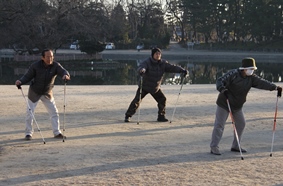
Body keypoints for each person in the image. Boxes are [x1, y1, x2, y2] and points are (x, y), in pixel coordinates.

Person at [210, 57, 282, 155]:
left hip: (237, 106)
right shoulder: (234, 74)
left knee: (241, 123)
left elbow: (262, 83)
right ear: (244, 68)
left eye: (253, 69)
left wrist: (274, 87)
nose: (252, 71)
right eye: (250, 69)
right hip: (224, 103)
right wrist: (222, 89)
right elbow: (220, 80)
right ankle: (214, 147)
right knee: (219, 125)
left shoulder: (251, 78)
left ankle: (235, 146)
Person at [15, 49, 70, 140]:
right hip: (34, 92)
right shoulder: (35, 66)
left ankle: (57, 133)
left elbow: (63, 71)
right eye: (48, 57)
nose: (50, 58)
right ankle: (28, 133)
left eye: (51, 56)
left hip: (47, 92)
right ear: (42, 57)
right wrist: (20, 81)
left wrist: (66, 75)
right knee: (30, 113)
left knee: (54, 113)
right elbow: (27, 76)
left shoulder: (56, 65)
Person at [124, 47, 188, 122]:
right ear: (152, 55)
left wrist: (182, 71)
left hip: (155, 87)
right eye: (156, 54)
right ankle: (128, 116)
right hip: (145, 86)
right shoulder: (147, 62)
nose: (158, 55)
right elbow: (141, 67)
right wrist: (142, 70)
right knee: (136, 101)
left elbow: (172, 67)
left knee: (162, 99)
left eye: (159, 54)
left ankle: (161, 116)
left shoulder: (163, 63)